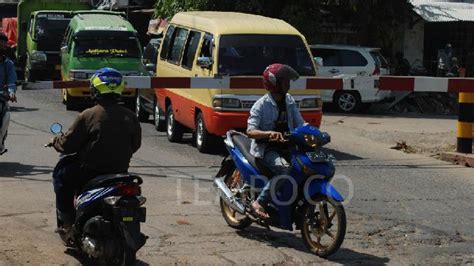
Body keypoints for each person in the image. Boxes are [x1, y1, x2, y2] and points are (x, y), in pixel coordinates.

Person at [50, 67, 142, 232]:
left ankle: (67, 221)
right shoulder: (131, 116)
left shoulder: (88, 115)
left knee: (61, 176)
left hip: (90, 171)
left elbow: (67, 144)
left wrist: (56, 141)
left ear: (95, 89)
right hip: (120, 171)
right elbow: (135, 145)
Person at [246, 63, 305, 218]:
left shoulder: (289, 100)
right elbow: (250, 131)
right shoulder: (261, 105)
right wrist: (268, 133)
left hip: (288, 147)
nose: (288, 83)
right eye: (285, 80)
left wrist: (314, 132)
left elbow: (300, 123)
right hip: (267, 150)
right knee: (285, 169)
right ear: (274, 83)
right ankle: (260, 202)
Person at [1, 32, 17, 153]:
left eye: (3, 47)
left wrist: (11, 93)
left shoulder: (8, 64)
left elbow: (11, 81)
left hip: (1, 97)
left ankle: (1, 139)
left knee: (3, 114)